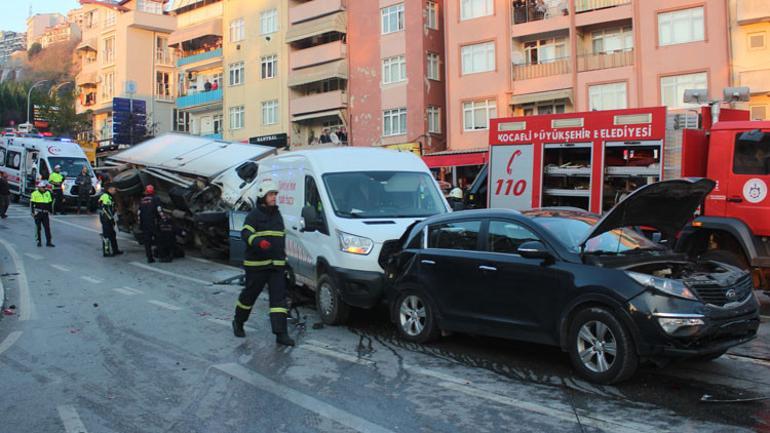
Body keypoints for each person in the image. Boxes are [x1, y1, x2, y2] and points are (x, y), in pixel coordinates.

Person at [232, 180, 294, 346]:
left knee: (278, 301)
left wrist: (284, 261)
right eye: (271, 194)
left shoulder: (277, 215)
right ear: (262, 196)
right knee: (249, 297)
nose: (274, 197)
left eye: (275, 194)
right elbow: (245, 233)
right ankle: (238, 321)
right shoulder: (254, 215)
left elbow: (280, 240)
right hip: (257, 266)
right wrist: (258, 242)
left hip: (276, 266)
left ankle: (281, 334)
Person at [137, 184, 162, 263]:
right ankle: (161, 255)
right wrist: (163, 219)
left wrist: (140, 223)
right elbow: (159, 210)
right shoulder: (156, 199)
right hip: (153, 222)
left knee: (147, 242)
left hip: (145, 223)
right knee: (158, 239)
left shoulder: (142, 200)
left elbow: (139, 213)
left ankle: (149, 258)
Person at [98, 186, 123, 257]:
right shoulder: (105, 196)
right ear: (110, 189)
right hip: (106, 220)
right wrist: (111, 219)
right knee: (106, 236)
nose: (115, 191)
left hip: (109, 219)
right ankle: (106, 252)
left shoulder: (110, 196)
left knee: (112, 235)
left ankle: (115, 250)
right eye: (114, 190)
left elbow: (112, 208)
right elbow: (105, 209)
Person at [30, 181, 54, 247]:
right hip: (38, 213)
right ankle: (38, 241)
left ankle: (49, 242)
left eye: (45, 187)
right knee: (38, 228)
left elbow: (50, 203)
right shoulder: (34, 193)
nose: (44, 188)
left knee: (47, 228)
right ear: (39, 187)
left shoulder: (48, 193)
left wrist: (50, 211)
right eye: (43, 187)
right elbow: (32, 204)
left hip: (45, 213)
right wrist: (32, 212)